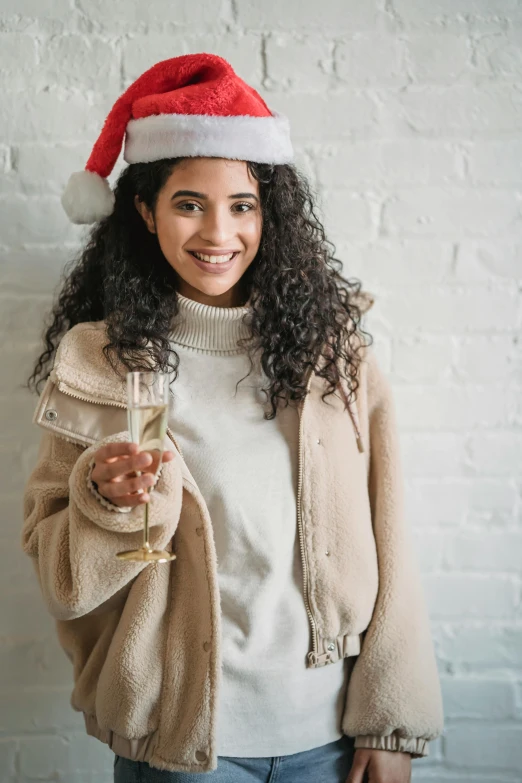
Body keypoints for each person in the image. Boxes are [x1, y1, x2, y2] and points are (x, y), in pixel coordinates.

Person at [21, 53, 444, 783]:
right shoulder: (101, 361)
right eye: (189, 203)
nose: (219, 231)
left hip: (332, 736)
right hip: (181, 741)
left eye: (242, 205)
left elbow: (389, 535)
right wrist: (105, 501)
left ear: (268, 214)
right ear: (146, 211)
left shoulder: (330, 352)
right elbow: (62, 575)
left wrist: (392, 720)